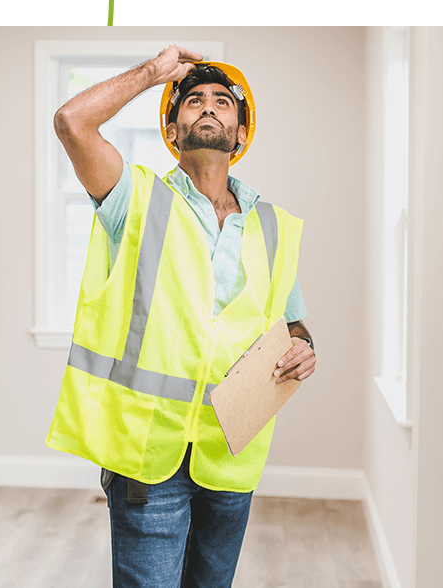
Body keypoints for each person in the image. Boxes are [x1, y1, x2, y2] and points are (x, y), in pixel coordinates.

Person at [46, 44, 316, 587]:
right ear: (172, 131)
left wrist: (305, 347)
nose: (208, 107)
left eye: (223, 101)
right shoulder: (136, 199)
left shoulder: (273, 227)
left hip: (231, 452)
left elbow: (293, 322)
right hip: (150, 455)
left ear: (241, 134)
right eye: (192, 101)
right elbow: (73, 123)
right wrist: (153, 74)